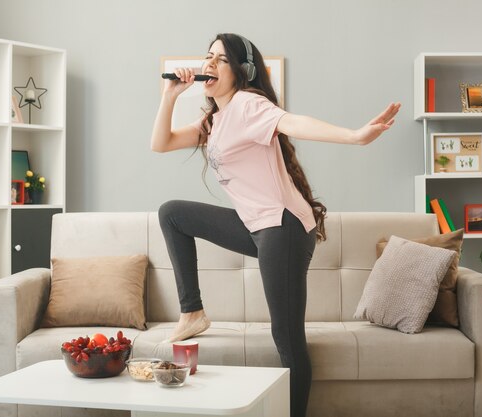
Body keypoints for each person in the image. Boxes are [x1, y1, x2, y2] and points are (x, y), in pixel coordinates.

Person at [150, 33, 400, 417]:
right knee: (172, 213)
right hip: (258, 226)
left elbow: (293, 122)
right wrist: (170, 95)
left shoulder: (249, 104)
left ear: (243, 71)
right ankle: (193, 313)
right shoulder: (213, 121)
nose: (211, 65)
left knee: (285, 336)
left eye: (223, 59)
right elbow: (161, 143)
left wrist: (354, 136)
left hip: (282, 227)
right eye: (208, 57)